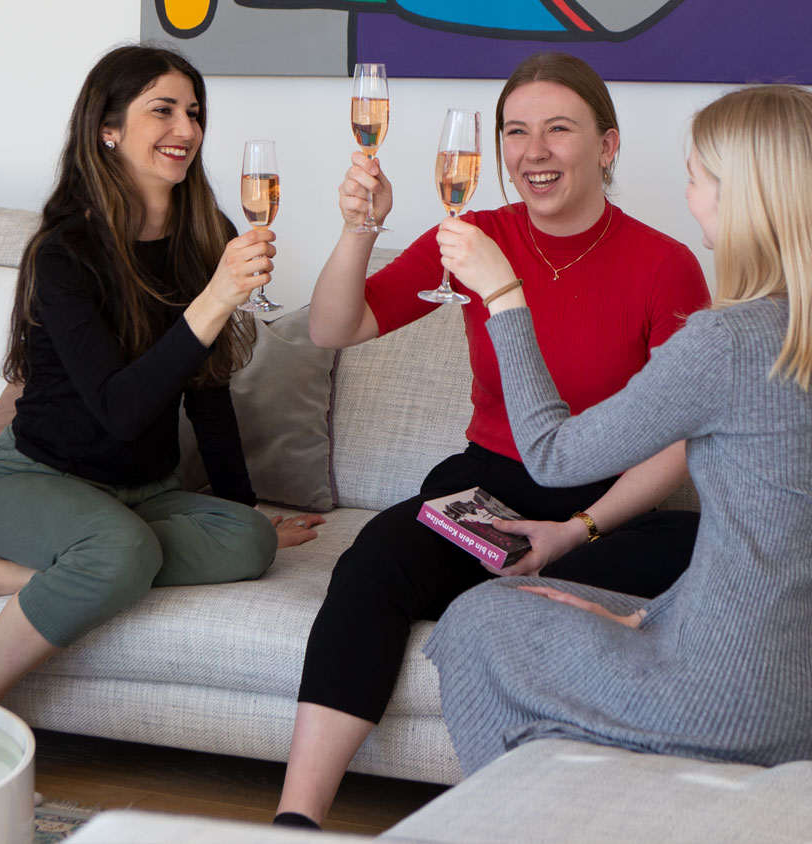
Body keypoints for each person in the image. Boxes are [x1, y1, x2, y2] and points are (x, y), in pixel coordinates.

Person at [274, 52, 710, 829]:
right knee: (373, 562)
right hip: (490, 486)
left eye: (558, 130)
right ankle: (297, 820)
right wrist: (357, 229)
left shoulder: (665, 265)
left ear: (607, 146)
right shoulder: (472, 236)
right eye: (515, 131)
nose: (532, 151)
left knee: (696, 556)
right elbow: (334, 326)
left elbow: (678, 441)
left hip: (610, 500)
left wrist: (576, 531)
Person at [427, 82, 812, 773]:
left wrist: (504, 293)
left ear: (741, 196)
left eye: (694, 179)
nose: (688, 195)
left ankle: (515, 819)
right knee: (532, 595)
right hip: (798, 690)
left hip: (724, 694)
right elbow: (770, 546)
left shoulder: (725, 342)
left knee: (477, 620)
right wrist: (643, 618)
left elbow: (550, 454)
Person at [0, 44, 323, 704]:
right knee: (119, 551)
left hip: (144, 490)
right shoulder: (66, 251)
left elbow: (207, 389)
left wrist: (244, 508)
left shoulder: (207, 234)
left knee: (251, 544)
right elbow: (118, 409)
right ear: (108, 129)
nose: (186, 130)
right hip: (31, 477)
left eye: (194, 112)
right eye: (163, 111)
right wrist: (213, 302)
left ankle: (28, 571)